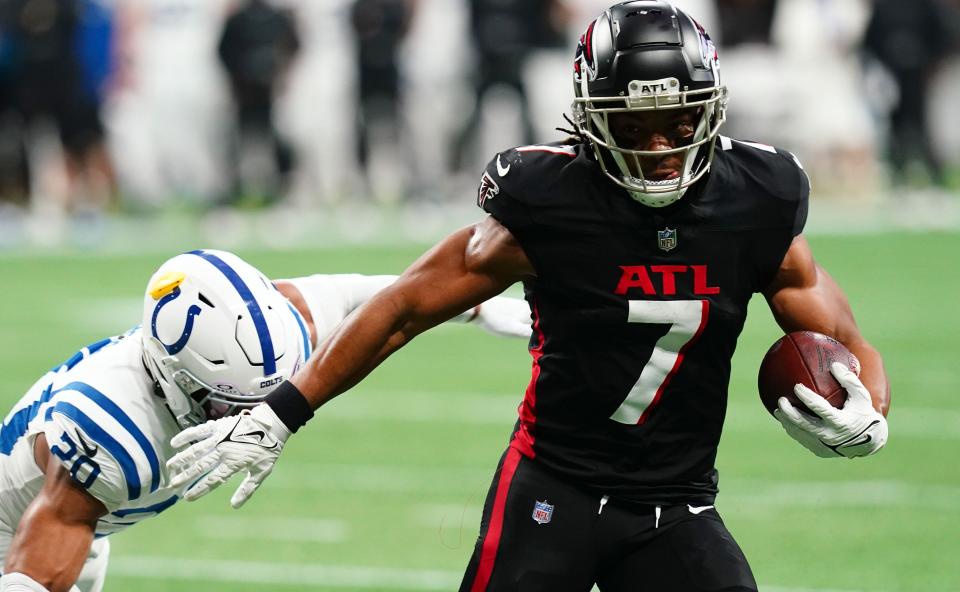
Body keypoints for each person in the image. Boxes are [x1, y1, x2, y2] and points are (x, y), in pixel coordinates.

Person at [168, 3, 891, 591]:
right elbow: (404, 309)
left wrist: (869, 406)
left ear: (712, 111)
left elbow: (839, 332)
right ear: (592, 117)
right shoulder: (547, 205)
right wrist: (283, 412)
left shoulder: (755, 201)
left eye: (678, 121)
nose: (661, 147)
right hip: (555, 491)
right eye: (636, 127)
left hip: (677, 505)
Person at [0, 249, 531, 592]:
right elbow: (47, 544)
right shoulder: (110, 431)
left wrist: (474, 309)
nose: (257, 415)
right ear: (175, 379)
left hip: (94, 526)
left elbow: (362, 297)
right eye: (232, 402)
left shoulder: (277, 330)